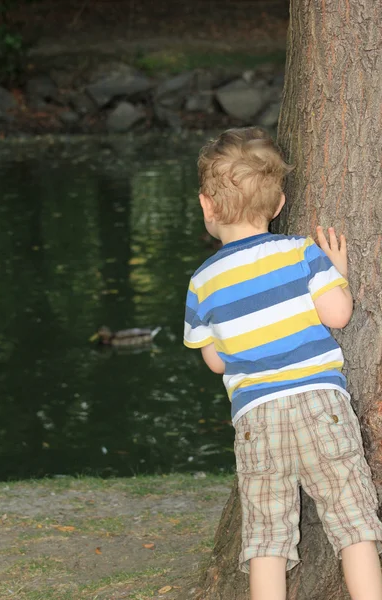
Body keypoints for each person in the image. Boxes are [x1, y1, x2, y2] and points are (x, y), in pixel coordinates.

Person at [183, 127, 382, 600]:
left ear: (207, 205)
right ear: (277, 205)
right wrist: (340, 274)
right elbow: (338, 314)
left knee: (267, 536)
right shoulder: (300, 252)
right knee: (353, 523)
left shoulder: (202, 282)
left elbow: (214, 360)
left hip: (256, 416)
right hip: (319, 405)